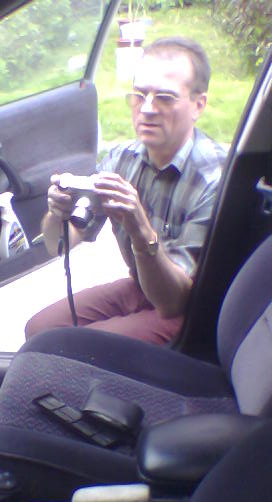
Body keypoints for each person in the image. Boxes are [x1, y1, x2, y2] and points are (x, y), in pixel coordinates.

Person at [25, 36, 226, 345]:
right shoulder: (121, 159)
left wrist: (140, 230)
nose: (147, 109)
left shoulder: (213, 180)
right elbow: (61, 245)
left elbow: (174, 302)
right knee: (39, 330)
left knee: (80, 346)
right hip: (142, 285)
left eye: (165, 98)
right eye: (139, 95)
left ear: (198, 105)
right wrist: (57, 215)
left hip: (190, 306)